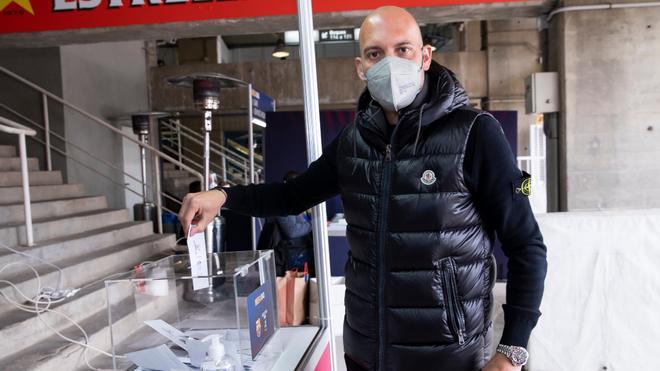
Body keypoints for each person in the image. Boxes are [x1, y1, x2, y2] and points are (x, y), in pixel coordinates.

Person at [178, 6, 547, 371]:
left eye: (402, 49)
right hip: (364, 351)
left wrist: (512, 349)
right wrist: (224, 196)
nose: (390, 63)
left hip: (447, 354)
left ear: (425, 56)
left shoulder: (473, 133)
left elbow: (526, 244)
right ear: (361, 67)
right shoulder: (353, 142)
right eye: (375, 53)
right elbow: (292, 196)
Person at [257, 171, 315, 276]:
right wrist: (313, 225)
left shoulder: (295, 202)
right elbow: (292, 231)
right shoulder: (284, 204)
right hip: (293, 251)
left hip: (299, 248)